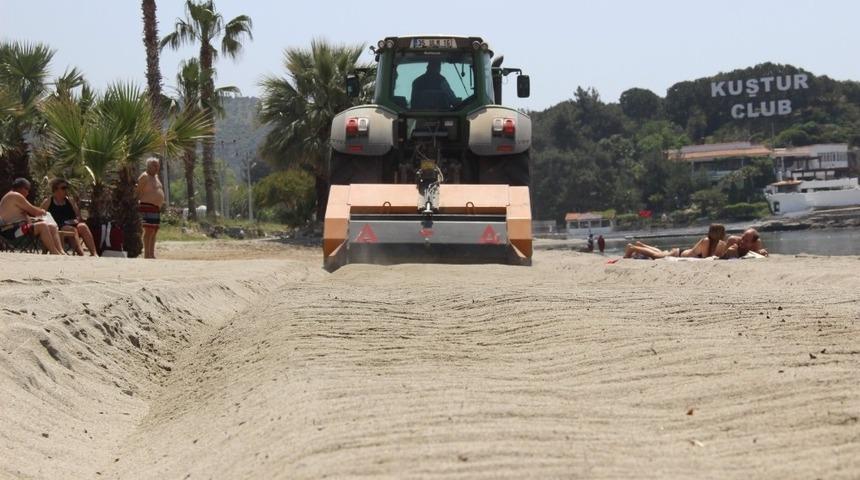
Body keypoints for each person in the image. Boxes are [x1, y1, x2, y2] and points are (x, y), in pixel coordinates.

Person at [0, 178, 65, 254]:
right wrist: (43, 212)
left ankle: (61, 251)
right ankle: (54, 252)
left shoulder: (11, 196)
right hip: (11, 231)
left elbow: (24, 216)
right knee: (42, 226)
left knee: (52, 227)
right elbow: (35, 212)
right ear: (21, 188)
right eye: (27, 189)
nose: (28, 193)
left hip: (16, 228)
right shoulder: (15, 195)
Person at [40, 178, 99, 256]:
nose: (66, 190)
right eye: (63, 188)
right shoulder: (48, 201)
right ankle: (81, 253)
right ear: (56, 189)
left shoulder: (70, 201)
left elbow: (78, 216)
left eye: (66, 188)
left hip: (71, 224)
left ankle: (94, 253)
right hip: (57, 226)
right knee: (71, 229)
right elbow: (40, 215)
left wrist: (76, 220)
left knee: (83, 226)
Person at [136, 157, 164, 259]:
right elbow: (137, 191)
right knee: (148, 230)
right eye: (154, 165)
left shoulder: (156, 177)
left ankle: (152, 254)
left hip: (156, 208)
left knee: (154, 230)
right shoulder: (144, 176)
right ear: (148, 166)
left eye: (157, 165)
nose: (157, 167)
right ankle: (147, 254)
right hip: (146, 206)